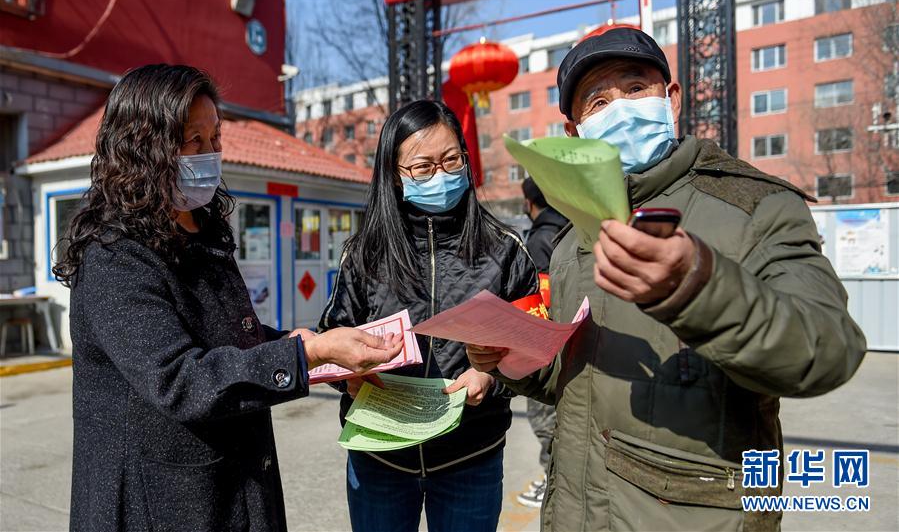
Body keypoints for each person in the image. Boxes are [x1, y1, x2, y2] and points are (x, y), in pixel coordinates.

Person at [467, 26, 867, 531]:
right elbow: (576, 378)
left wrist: (698, 286)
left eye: (635, 89)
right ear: (573, 133)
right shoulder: (574, 240)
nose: (620, 110)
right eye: (597, 103)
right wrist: (513, 360)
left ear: (671, 99)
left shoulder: (756, 206)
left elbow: (827, 349)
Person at [55, 64, 403, 532]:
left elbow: (234, 340)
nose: (208, 155)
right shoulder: (114, 255)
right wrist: (303, 354)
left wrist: (322, 359)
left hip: (232, 487)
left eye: (215, 138)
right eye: (191, 141)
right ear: (142, 146)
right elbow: (180, 379)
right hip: (155, 504)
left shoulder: (201, 227)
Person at [319, 99, 538, 532]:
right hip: (380, 458)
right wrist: (348, 373)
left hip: (470, 454)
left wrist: (492, 377)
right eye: (423, 167)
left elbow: (532, 348)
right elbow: (332, 335)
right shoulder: (365, 253)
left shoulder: (505, 248)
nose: (441, 175)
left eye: (451, 160)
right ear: (396, 178)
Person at [517, 177, 567, 508]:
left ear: (529, 202)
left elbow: (539, 300)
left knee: (545, 422)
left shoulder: (539, 240)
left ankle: (555, 484)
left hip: (544, 348)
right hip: (572, 341)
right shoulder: (570, 229)